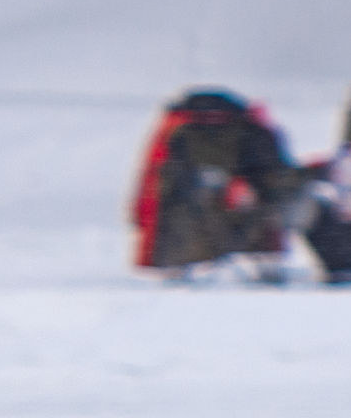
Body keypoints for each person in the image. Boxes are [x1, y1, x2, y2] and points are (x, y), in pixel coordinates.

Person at [130, 89, 304, 282]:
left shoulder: (177, 131)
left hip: (196, 242)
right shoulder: (252, 131)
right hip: (209, 238)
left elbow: (149, 197)